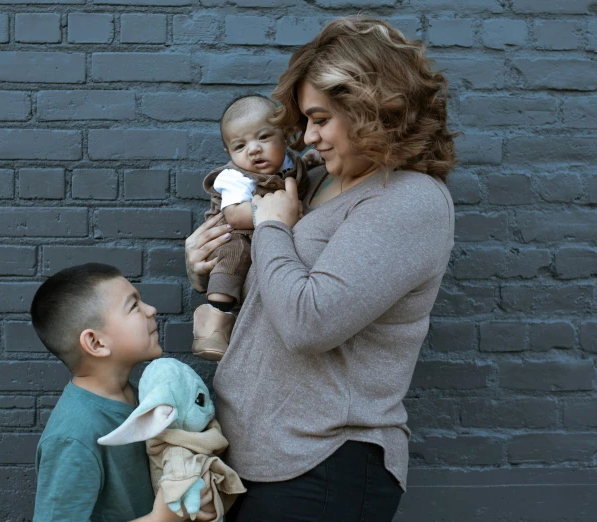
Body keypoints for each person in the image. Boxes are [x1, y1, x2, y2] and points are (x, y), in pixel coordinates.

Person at [184, 16, 457, 521]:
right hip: (255, 457)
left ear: (374, 109)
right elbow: (275, 292)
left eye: (320, 118)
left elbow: (310, 323)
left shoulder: (408, 201)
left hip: (322, 464)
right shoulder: (312, 183)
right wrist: (209, 264)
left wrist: (269, 226)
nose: (307, 137)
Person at [29, 263, 215, 522]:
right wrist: (161, 519)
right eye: (134, 306)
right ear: (96, 342)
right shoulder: (73, 438)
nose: (151, 310)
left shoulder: (145, 397)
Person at [192, 94, 320, 361]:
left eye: (263, 138)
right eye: (240, 146)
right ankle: (214, 318)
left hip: (271, 228)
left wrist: (310, 161)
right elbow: (236, 215)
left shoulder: (288, 162)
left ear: (284, 137)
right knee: (234, 257)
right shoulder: (234, 177)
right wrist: (276, 216)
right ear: (229, 153)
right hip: (237, 231)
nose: (253, 150)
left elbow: (299, 170)